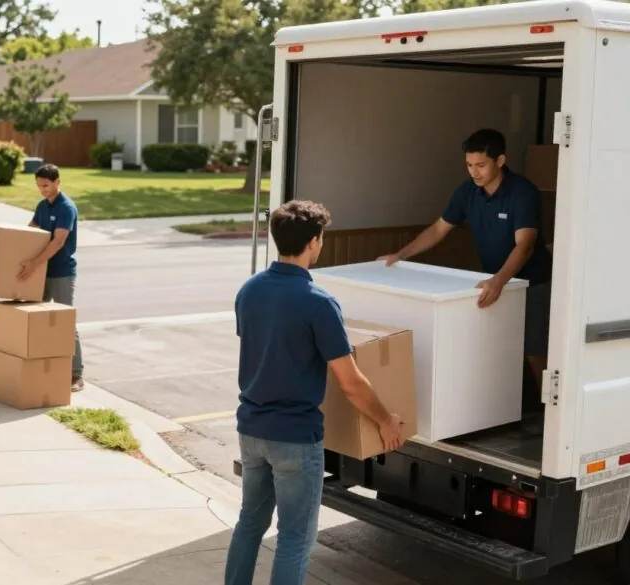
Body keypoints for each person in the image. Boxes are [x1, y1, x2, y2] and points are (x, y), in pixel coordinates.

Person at [225, 200, 405, 585]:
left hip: (251, 429)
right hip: (294, 437)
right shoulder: (318, 303)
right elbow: (351, 382)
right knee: (295, 537)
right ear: (314, 242)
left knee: (249, 524)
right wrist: (386, 420)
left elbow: (261, 349)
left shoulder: (249, 290)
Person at [380, 128, 553, 390]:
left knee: (534, 350)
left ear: (500, 161)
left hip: (534, 282)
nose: (474, 172)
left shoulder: (522, 192)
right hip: (494, 281)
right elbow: (439, 228)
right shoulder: (467, 192)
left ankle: (549, 416)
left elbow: (525, 246)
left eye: (481, 165)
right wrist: (399, 255)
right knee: (497, 346)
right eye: (470, 165)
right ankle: (501, 409)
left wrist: (499, 281)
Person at [17, 163, 85, 391]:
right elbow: (29, 232)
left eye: (46, 185)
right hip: (41, 273)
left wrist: (34, 264)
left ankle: (76, 375)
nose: (43, 190)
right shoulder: (42, 206)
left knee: (66, 324)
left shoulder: (66, 208)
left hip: (62, 272)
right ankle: (40, 368)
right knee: (36, 320)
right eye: (39, 186)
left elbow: (58, 242)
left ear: (58, 182)